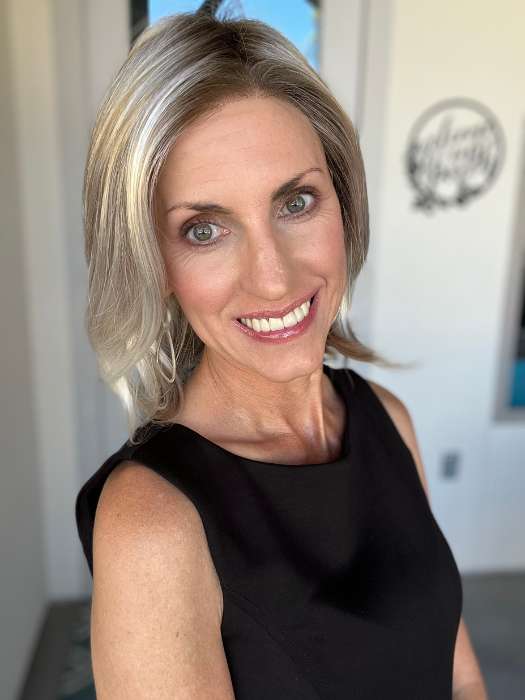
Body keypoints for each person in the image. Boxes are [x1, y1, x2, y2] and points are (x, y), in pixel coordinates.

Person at [75, 8, 488, 699]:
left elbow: (460, 673)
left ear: (343, 205)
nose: (272, 278)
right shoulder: (154, 522)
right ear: (153, 263)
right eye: (203, 229)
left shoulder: (386, 418)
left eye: (295, 202)